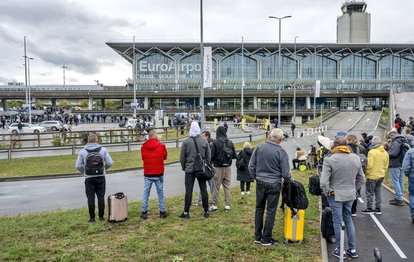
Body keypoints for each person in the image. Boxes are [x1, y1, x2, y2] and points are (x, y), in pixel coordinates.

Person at [320, 136, 365, 258]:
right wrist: (353, 189)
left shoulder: (329, 159)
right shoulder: (355, 158)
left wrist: (328, 191)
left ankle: (341, 249)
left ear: (334, 146)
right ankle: (352, 248)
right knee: (348, 219)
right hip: (350, 194)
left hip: (335, 195)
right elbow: (362, 179)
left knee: (337, 221)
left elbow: (323, 182)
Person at [248, 128, 291, 247]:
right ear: (281, 139)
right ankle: (266, 238)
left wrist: (256, 177)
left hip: (261, 182)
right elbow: (286, 174)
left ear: (270, 136)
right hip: (274, 184)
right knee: (271, 211)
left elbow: (251, 166)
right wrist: (289, 182)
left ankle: (257, 236)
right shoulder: (281, 152)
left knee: (259, 208)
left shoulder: (259, 147)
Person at [75, 133, 113, 223]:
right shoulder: (103, 150)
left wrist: (84, 171)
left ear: (88, 141)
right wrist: (104, 169)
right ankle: (101, 217)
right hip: (100, 176)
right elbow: (110, 162)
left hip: (89, 178)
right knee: (101, 197)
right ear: (97, 140)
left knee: (90, 198)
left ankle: (92, 218)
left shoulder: (82, 151)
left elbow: (77, 166)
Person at [179, 121, 211, 219]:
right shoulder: (204, 141)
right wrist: (206, 165)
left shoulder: (186, 142)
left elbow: (182, 157)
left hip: (189, 169)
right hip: (201, 169)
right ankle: (206, 210)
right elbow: (208, 156)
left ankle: (186, 212)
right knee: (203, 189)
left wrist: (184, 167)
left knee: (188, 190)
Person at [140, 129, 168, 219]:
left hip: (148, 173)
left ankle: (144, 211)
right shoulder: (161, 146)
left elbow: (143, 158)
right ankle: (162, 211)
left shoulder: (143, 147)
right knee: (160, 192)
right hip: (158, 172)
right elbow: (165, 157)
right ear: (156, 136)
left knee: (146, 192)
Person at [209, 126, 237, 212]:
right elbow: (234, 155)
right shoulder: (230, 142)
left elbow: (211, 156)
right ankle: (227, 205)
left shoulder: (215, 142)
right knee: (227, 187)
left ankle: (214, 205)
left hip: (218, 167)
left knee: (216, 187)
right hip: (228, 167)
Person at [361, 136, 389, 215]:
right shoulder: (385, 152)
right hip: (381, 175)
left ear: (373, 143)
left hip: (372, 176)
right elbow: (386, 165)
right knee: (378, 192)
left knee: (369, 192)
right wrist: (382, 172)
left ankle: (369, 208)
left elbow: (369, 165)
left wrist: (366, 172)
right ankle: (378, 208)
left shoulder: (372, 152)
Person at [346, 134, 367, 217]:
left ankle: (349, 209)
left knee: (348, 190)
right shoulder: (361, 148)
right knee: (356, 190)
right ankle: (354, 210)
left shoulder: (346, 148)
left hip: (349, 171)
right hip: (359, 170)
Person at [385, 130, 406, 206]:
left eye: (389, 136)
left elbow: (393, 153)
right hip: (401, 163)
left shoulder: (396, 142)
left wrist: (387, 151)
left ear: (392, 134)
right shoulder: (402, 140)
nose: (389, 138)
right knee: (400, 181)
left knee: (396, 181)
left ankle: (399, 198)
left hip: (395, 164)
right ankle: (400, 196)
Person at [195, 130, 214, 206]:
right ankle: (200, 200)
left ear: (207, 136)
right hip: (203, 167)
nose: (201, 137)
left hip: (208, 167)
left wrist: (208, 164)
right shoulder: (203, 144)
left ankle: (213, 200)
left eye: (203, 136)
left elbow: (209, 156)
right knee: (203, 185)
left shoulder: (210, 144)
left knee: (211, 185)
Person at [402, 143, 414, 223]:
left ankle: (413, 213)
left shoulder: (410, 151)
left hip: (412, 175)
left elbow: (406, 165)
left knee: (412, 194)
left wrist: (407, 173)